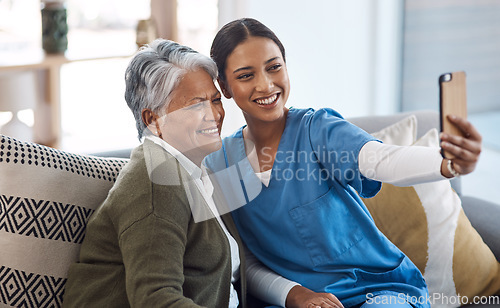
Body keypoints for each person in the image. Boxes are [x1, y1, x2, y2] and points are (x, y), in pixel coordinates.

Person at [205, 18, 482, 308]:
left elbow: (382, 160)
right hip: (293, 301)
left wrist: (447, 163)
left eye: (274, 67)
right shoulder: (220, 163)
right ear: (225, 86)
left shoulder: (317, 129)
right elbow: (245, 259)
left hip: (375, 292)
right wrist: (295, 295)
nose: (265, 84)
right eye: (246, 75)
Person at [63, 38, 250, 307]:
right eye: (195, 105)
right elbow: (156, 298)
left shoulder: (198, 171)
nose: (214, 114)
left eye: (215, 99)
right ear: (153, 120)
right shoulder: (157, 181)